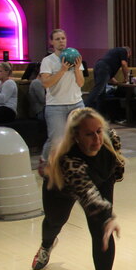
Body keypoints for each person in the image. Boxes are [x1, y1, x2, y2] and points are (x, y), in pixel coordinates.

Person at [32, 108, 124, 270]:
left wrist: (107, 217)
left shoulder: (111, 140)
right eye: (89, 134)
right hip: (62, 187)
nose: (97, 138)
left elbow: (115, 165)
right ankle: (46, 245)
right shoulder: (68, 159)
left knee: (103, 232)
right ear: (76, 136)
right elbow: (85, 192)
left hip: (100, 181)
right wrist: (106, 215)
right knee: (55, 221)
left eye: (99, 131)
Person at [39, 29, 85, 171]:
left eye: (63, 38)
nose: (61, 41)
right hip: (56, 106)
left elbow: (81, 83)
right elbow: (46, 83)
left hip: (76, 103)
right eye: (57, 39)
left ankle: (76, 165)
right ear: (51, 42)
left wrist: (76, 69)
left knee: (82, 136)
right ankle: (45, 161)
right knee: (56, 140)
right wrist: (62, 70)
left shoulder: (75, 57)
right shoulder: (48, 61)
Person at [86, 47, 130, 112]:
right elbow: (124, 64)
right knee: (97, 91)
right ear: (128, 53)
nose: (127, 58)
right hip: (103, 68)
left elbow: (108, 68)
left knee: (101, 94)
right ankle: (83, 109)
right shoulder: (123, 51)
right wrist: (126, 78)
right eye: (128, 57)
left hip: (98, 66)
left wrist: (115, 82)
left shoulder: (113, 52)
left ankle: (99, 113)